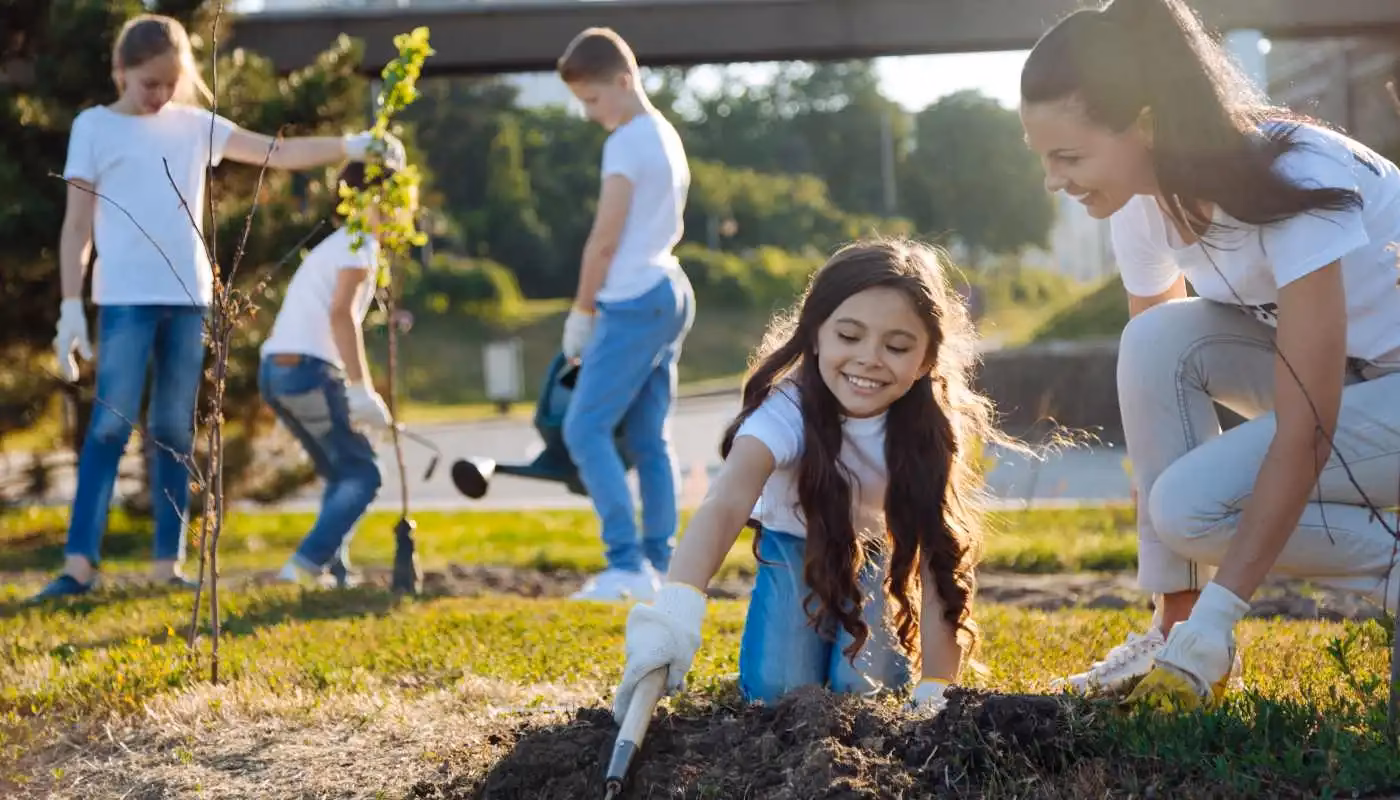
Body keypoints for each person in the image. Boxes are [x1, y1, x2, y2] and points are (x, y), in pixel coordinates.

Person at [1019, 0, 1400, 708]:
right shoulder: (1139, 198)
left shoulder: (1295, 177)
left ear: (1147, 125)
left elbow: (1308, 424)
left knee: (1191, 508)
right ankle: (1175, 629)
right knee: (1156, 339)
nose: (1053, 181)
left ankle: (1237, 623)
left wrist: (1225, 614)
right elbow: (1155, 374)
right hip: (1355, 382)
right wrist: (1186, 601)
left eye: (1068, 156)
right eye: (1043, 159)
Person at [34, 13, 404, 601]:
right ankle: (78, 567)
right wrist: (71, 305)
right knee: (108, 429)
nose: (159, 95)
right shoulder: (94, 128)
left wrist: (350, 146)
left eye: (170, 83)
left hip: (188, 298)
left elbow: (273, 153)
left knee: (173, 432)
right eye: (148, 83)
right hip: (125, 299)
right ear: (120, 72)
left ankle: (167, 566)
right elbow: (77, 223)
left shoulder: (195, 125)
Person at [611, 238, 1010, 718]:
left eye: (897, 346)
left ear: (926, 359)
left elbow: (938, 562)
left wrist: (936, 688)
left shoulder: (929, 431)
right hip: (793, 547)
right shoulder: (785, 410)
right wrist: (674, 612)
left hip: (876, 553)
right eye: (849, 336)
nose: (869, 358)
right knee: (777, 691)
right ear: (816, 334)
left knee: (866, 688)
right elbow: (724, 504)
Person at [555, 27, 696, 602]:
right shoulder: (666, 134)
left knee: (584, 429)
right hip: (668, 288)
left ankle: (625, 565)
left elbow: (603, 241)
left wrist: (581, 312)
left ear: (622, 79)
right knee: (647, 437)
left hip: (632, 297)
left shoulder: (627, 141)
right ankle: (657, 567)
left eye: (591, 100)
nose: (590, 114)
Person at [259, 161, 415, 587]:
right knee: (364, 474)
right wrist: (362, 391)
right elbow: (340, 314)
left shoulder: (341, 243)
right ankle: (303, 567)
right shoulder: (359, 246)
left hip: (276, 370)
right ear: (377, 202)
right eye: (399, 200)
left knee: (339, 468)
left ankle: (333, 567)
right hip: (306, 372)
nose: (404, 213)